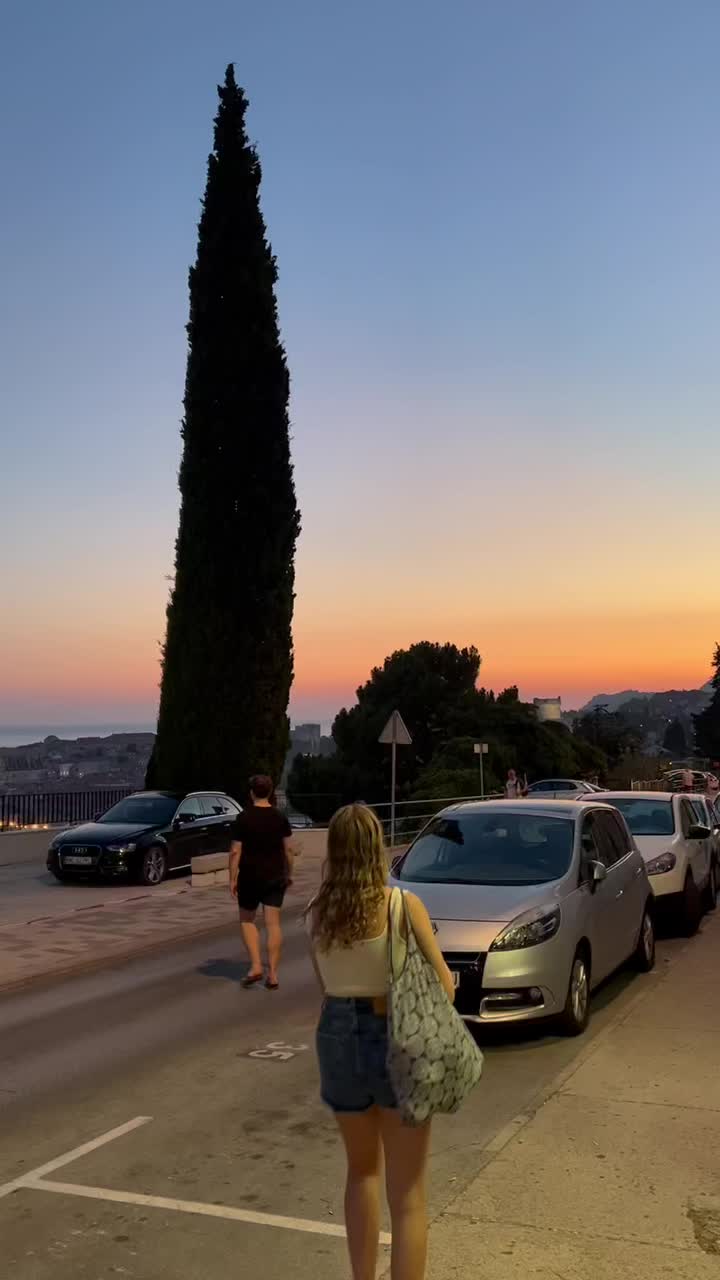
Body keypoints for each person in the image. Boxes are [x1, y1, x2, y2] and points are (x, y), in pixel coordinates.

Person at [307, 804, 455, 1280]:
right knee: (408, 1195)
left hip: (337, 1037)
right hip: (395, 1039)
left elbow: (326, 987)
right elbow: (444, 986)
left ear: (334, 851)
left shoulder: (318, 913)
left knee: (361, 1172)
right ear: (377, 848)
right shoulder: (403, 905)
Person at [229, 775, 293, 990]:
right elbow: (288, 850)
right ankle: (273, 974)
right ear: (271, 791)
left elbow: (235, 851)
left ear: (251, 793)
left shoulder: (243, 818)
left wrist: (232, 878)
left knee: (247, 920)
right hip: (275, 876)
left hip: (249, 877)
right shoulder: (280, 817)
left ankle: (256, 965)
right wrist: (289, 873)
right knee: (273, 924)